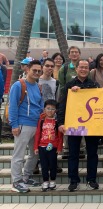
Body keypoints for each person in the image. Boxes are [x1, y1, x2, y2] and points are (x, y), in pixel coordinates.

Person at [58, 59, 101, 192]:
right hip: (73, 124)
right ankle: (73, 180)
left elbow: (100, 105)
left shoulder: (95, 85)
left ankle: (91, 179)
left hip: (91, 125)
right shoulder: (69, 86)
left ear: (89, 70)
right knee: (73, 153)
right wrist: (61, 123)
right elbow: (62, 105)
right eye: (81, 67)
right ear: (76, 69)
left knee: (92, 153)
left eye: (86, 67)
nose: (83, 69)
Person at [9, 60, 44, 193]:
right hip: (23, 124)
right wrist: (14, 125)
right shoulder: (19, 85)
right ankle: (16, 181)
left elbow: (40, 105)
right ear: (27, 70)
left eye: (38, 71)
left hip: (36, 124)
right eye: (34, 70)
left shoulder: (37, 86)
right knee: (19, 154)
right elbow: (12, 106)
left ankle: (25, 177)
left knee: (35, 153)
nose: (36, 73)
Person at [57, 46, 85, 160]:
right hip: (68, 100)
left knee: (82, 122)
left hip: (83, 101)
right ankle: (67, 148)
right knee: (68, 123)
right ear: (68, 55)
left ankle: (82, 148)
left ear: (79, 54)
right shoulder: (64, 68)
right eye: (72, 52)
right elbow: (62, 85)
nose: (74, 54)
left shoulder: (84, 66)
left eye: (76, 52)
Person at [34, 99, 63, 192]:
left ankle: (53, 181)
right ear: (44, 109)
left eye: (53, 109)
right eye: (48, 108)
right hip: (42, 147)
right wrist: (36, 147)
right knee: (44, 165)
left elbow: (60, 136)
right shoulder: (41, 121)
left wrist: (59, 147)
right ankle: (45, 181)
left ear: (56, 111)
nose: (50, 111)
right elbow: (38, 134)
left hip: (53, 147)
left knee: (53, 165)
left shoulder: (57, 122)